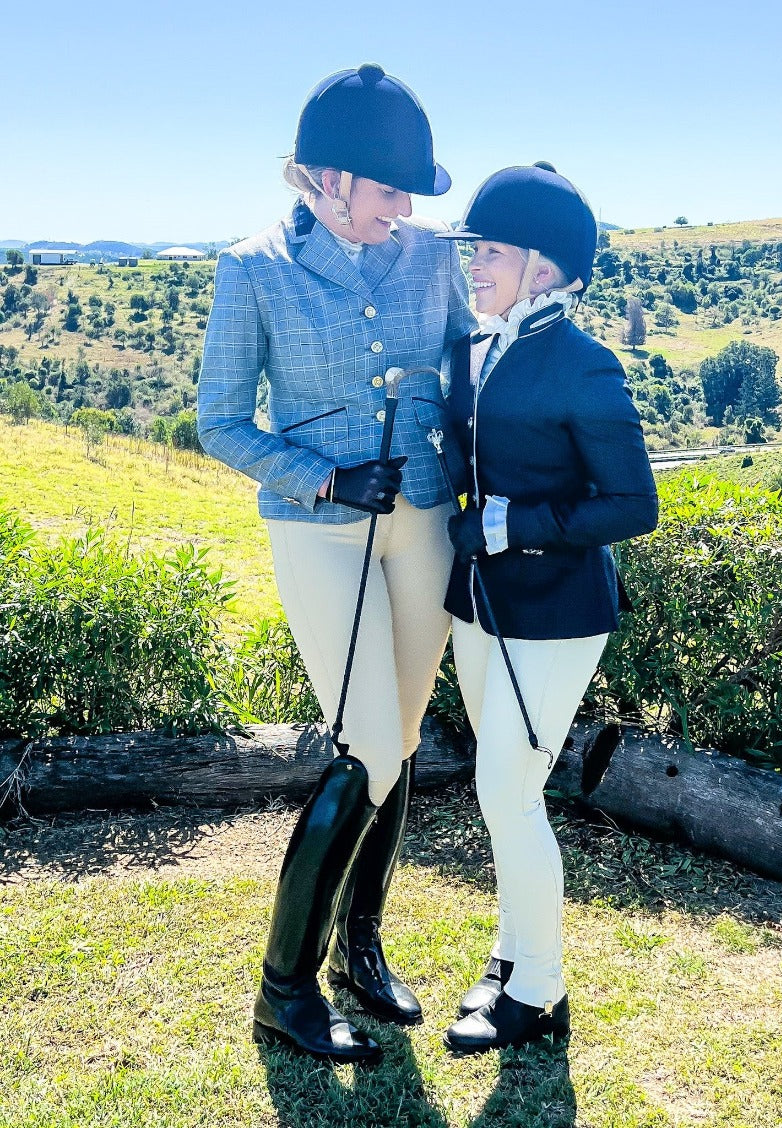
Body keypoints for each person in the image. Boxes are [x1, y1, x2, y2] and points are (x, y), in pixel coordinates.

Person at [197, 63, 474, 1064]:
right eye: (389, 188)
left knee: (399, 741)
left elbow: (463, 367)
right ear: (324, 180)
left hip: (425, 522)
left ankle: (362, 949)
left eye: (409, 192)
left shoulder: (432, 256)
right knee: (366, 743)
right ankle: (283, 990)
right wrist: (320, 477)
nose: (403, 210)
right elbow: (219, 422)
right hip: (320, 533)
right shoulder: (252, 267)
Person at [435, 164, 658, 1053]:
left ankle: (540, 993)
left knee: (507, 789)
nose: (474, 267)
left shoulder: (586, 363)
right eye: (475, 251)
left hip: (558, 609)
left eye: (488, 252)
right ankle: (509, 951)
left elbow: (634, 504)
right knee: (503, 795)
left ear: (544, 267)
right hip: (478, 601)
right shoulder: (472, 348)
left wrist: (512, 521)